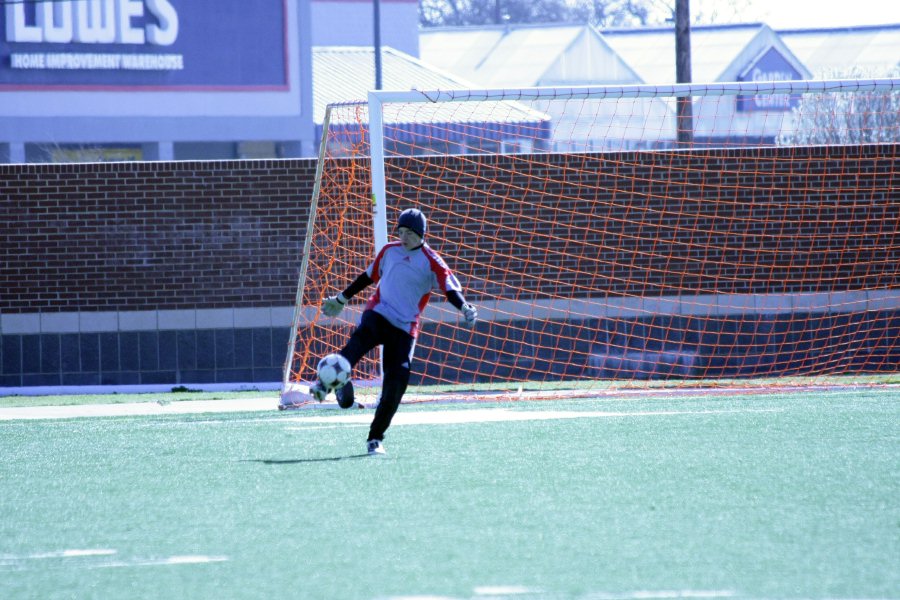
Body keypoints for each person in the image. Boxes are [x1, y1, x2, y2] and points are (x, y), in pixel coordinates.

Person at [313, 208, 478, 456]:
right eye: (401, 231)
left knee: (397, 383)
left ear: (421, 234)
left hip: (404, 328)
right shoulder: (389, 251)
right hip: (379, 313)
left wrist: (464, 306)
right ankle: (328, 382)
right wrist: (341, 298)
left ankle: (375, 439)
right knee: (357, 344)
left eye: (410, 233)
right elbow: (367, 277)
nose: (404, 237)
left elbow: (450, 289)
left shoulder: (431, 260)